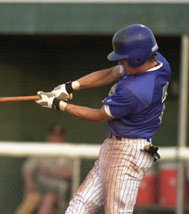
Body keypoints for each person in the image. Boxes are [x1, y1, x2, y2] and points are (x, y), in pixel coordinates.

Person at [35, 24, 171, 214]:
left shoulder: (137, 91)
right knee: (79, 206)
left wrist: (59, 105)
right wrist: (70, 87)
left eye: (124, 59)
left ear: (138, 57)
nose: (120, 63)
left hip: (127, 153)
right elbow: (111, 73)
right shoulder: (157, 62)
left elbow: (99, 116)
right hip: (116, 146)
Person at [15, 124, 73, 214]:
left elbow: (72, 173)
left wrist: (52, 173)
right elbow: (27, 169)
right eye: (53, 136)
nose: (55, 139)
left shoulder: (70, 151)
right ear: (48, 137)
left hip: (59, 191)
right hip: (40, 188)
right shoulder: (42, 150)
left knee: (49, 198)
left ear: (63, 138)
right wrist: (29, 182)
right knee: (32, 198)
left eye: (58, 137)